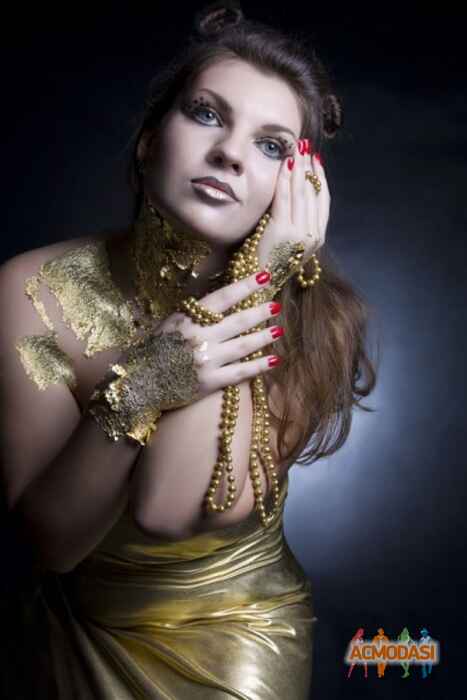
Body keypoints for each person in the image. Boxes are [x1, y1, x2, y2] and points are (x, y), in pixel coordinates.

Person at [0, 1, 377, 697]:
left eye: (272, 146)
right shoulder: (33, 290)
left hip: (229, 637)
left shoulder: (318, 321)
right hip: (66, 628)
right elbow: (51, 544)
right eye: (206, 114)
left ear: (299, 187)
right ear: (149, 140)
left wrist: (257, 281)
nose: (230, 152)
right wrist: (142, 385)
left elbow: (166, 510)